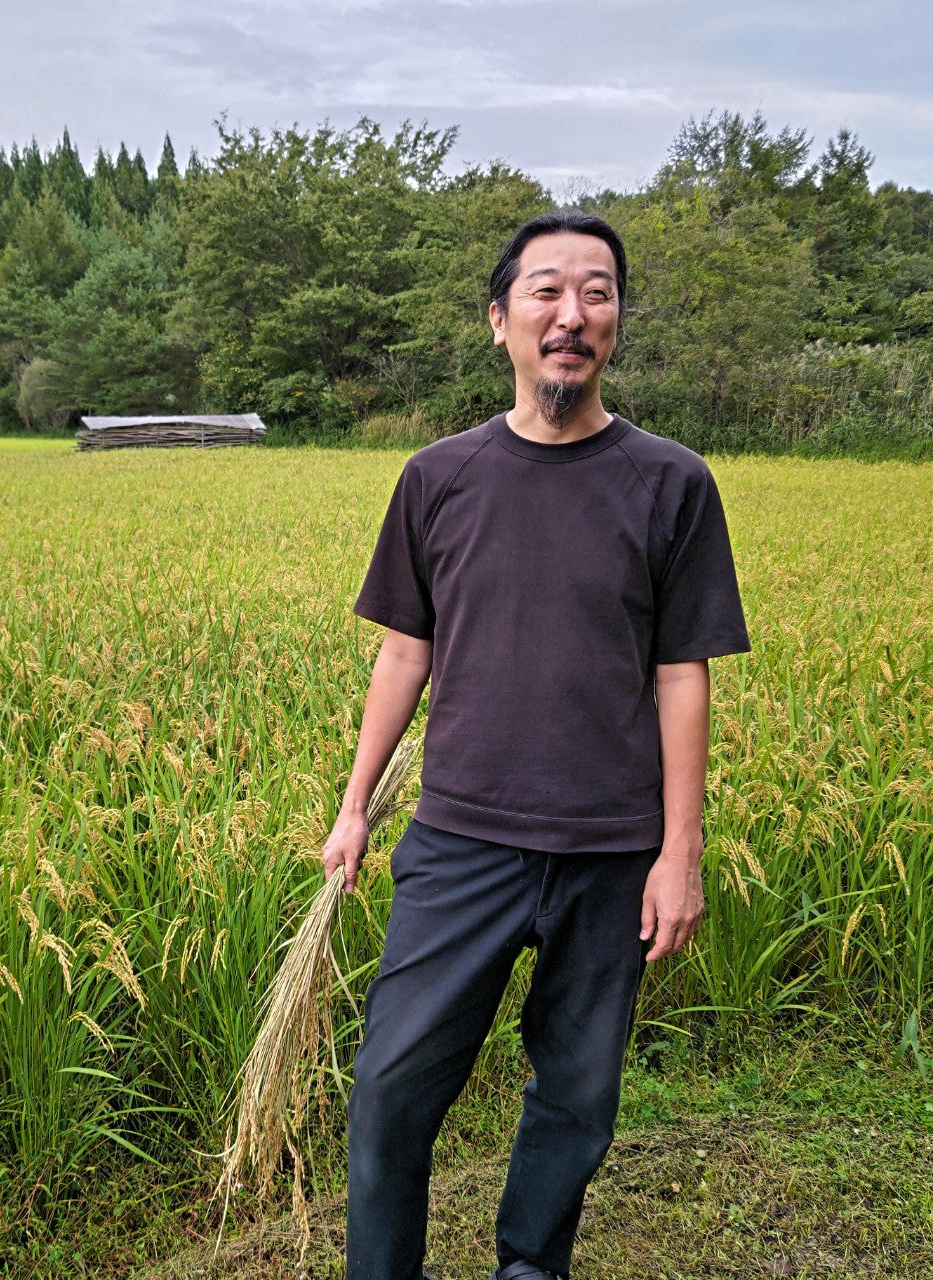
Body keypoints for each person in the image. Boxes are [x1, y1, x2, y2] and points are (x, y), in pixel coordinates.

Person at [322, 210, 750, 1280]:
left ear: (614, 324)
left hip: (611, 850)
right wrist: (353, 803)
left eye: (595, 293)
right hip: (459, 839)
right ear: (499, 318)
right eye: (547, 291)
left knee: (575, 1093)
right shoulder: (436, 477)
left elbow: (679, 673)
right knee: (389, 1088)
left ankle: (529, 1265)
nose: (571, 316)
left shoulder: (670, 483)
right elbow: (403, 654)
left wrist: (677, 851)